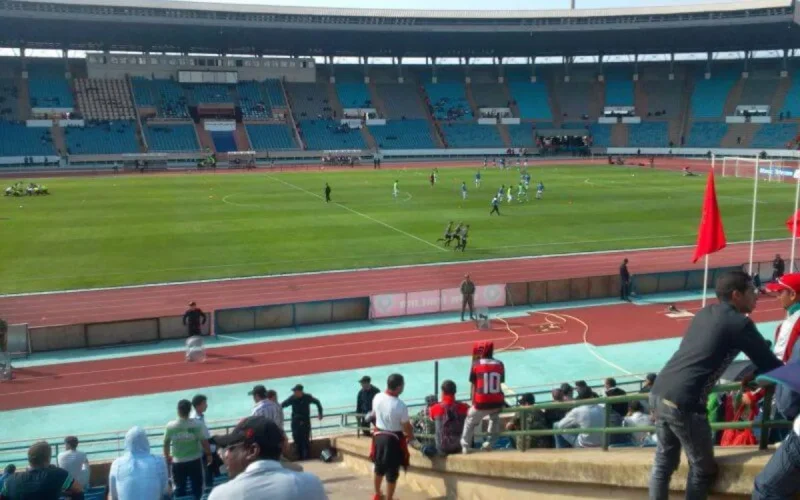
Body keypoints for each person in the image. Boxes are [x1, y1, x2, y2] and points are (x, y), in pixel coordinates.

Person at [648, 270, 783, 500]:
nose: (757, 296)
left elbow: (707, 350)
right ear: (736, 295)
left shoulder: (704, 313)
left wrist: (752, 370)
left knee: (664, 463)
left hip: (659, 391)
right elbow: (771, 364)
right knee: (703, 469)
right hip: (685, 402)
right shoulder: (739, 323)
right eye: (752, 291)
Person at [209, 416, 327, 500]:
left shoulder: (221, 495)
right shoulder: (311, 484)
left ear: (252, 451)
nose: (225, 454)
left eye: (230, 448)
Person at [367, 373, 415, 500]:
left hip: (378, 437)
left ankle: (377, 494)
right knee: (391, 473)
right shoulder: (400, 405)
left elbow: (374, 414)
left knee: (379, 468)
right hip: (392, 441)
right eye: (403, 385)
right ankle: (389, 499)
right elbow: (406, 426)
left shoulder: (377, 397)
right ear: (399, 387)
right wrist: (411, 436)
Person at [461, 341, 505, 453]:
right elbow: (500, 382)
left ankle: (465, 445)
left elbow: (474, 385)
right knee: (494, 418)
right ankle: (490, 443)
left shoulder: (476, 364)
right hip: (497, 402)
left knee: (469, 420)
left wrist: (473, 402)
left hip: (481, 402)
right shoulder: (500, 364)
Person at [164, 399, 212, 500]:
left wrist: (167, 456)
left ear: (178, 410)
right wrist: (209, 455)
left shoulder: (170, 426)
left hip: (178, 463)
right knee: (197, 489)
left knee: (179, 489)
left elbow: (166, 443)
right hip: (195, 461)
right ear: (190, 410)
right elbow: (204, 441)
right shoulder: (196, 424)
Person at [0, 441, 83, 499]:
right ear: (48, 459)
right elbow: (78, 490)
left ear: (29, 459)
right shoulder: (59, 475)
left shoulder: (9, 481)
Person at [109, 427, 170, 500]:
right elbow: (165, 491)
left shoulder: (117, 464)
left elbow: (113, 496)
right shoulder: (159, 461)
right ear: (146, 441)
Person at [281, 385, 323, 461]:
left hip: (305, 420)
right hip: (295, 421)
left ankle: (306, 458)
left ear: (300, 391)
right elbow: (282, 405)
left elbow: (317, 402)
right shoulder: (292, 398)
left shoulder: (307, 397)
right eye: (294, 391)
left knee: (305, 439)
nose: (294, 393)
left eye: (295, 391)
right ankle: (300, 458)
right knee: (296, 439)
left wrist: (320, 413)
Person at [428, 380, 469, 455]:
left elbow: (431, 419)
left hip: (442, 447)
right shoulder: (465, 407)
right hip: (459, 446)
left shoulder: (434, 408)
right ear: (455, 392)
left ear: (442, 392)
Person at [192, 394, 221, 488]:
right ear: (197, 406)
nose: (206, 405)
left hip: (206, 447)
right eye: (204, 403)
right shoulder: (195, 420)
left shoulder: (200, 417)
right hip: (203, 451)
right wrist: (211, 450)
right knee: (207, 474)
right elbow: (201, 439)